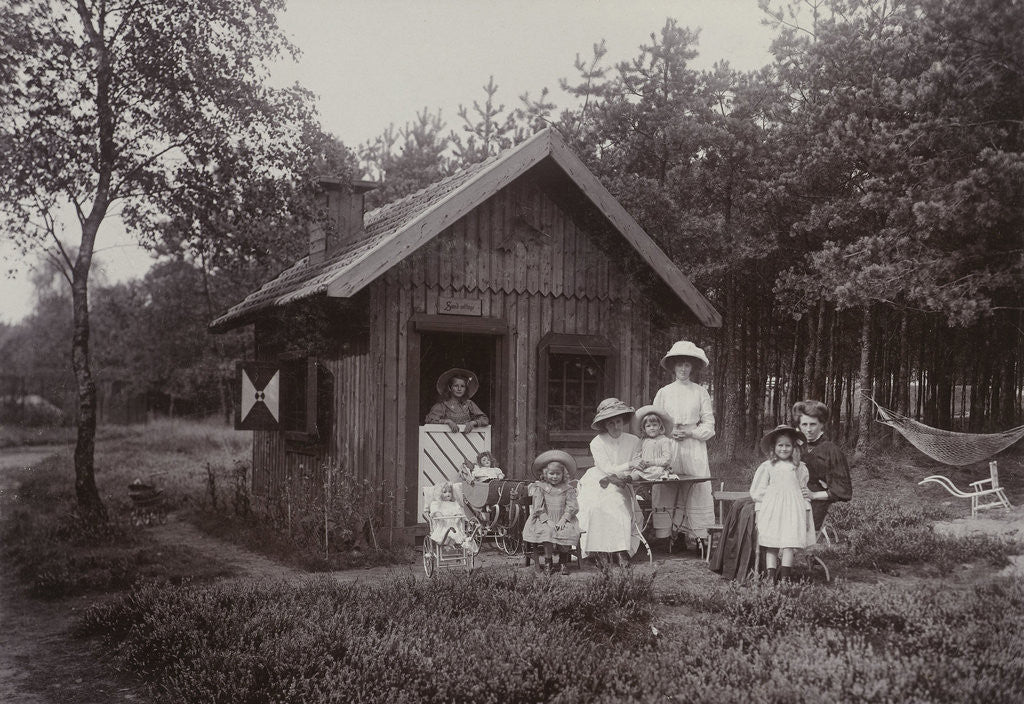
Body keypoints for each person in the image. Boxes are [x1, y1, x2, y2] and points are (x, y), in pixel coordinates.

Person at [651, 341, 716, 541]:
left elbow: (709, 424)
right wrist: (669, 434)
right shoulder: (664, 392)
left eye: (687, 365)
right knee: (666, 484)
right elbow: (653, 420)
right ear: (673, 367)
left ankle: (696, 535)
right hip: (668, 445)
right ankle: (668, 535)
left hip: (693, 445)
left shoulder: (700, 392)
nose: (683, 369)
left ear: (693, 368)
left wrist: (691, 433)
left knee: (695, 486)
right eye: (680, 364)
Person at [577, 398, 644, 567]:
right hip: (598, 480)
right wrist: (629, 465)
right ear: (605, 425)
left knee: (619, 503)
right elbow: (607, 468)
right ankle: (599, 551)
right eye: (611, 423)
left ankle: (621, 551)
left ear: (623, 421)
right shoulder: (597, 442)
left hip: (622, 482)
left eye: (619, 421)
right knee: (595, 507)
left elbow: (638, 467)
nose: (616, 426)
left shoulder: (633, 441)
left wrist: (632, 475)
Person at [749, 425, 816, 582]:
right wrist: (759, 514)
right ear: (774, 447)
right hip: (772, 510)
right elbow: (759, 494)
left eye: (788, 445)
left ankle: (785, 579)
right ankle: (771, 578)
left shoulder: (799, 468)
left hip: (794, 510)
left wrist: (806, 514)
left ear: (794, 447)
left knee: (789, 544)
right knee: (771, 544)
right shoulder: (767, 467)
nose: (784, 449)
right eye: (780, 445)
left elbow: (803, 492)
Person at [792, 400, 853, 531]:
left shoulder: (831, 450)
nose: (808, 429)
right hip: (792, 497)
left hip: (817, 504)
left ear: (822, 424)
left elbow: (843, 491)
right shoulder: (796, 446)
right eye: (804, 424)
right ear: (799, 426)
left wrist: (813, 495)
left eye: (813, 424)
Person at [521, 450, 581, 575]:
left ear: (563, 474)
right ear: (545, 473)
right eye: (551, 474)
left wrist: (564, 519)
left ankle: (563, 562)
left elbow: (572, 506)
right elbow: (538, 507)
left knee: (566, 531)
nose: (554, 476)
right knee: (548, 532)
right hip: (543, 519)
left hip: (562, 518)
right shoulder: (541, 488)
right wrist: (547, 520)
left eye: (557, 474)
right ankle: (548, 562)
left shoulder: (567, 489)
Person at [424, 368, 489, 433]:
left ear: (465, 389)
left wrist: (473, 423)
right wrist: (447, 421)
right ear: (450, 388)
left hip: (468, 440)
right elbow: (429, 420)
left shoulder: (469, 404)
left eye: (462, 386)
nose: (459, 389)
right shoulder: (442, 405)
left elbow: (485, 419)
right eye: (456, 386)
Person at [428, 482, 478, 553]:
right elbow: (435, 512)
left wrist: (457, 518)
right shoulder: (437, 504)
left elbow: (458, 512)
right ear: (439, 494)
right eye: (445, 492)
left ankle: (450, 545)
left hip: (454, 525)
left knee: (457, 535)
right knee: (446, 535)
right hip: (443, 525)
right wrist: (439, 515)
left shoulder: (454, 504)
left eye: (450, 492)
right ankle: (447, 545)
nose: (448, 494)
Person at [629, 405, 675, 482]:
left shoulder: (664, 440)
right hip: (644, 468)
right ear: (644, 428)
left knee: (659, 472)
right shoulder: (643, 441)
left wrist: (651, 462)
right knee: (636, 472)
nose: (652, 428)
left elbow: (667, 459)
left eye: (654, 425)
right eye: (648, 426)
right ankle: (626, 479)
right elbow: (636, 455)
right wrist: (640, 463)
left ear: (660, 426)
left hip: (659, 467)